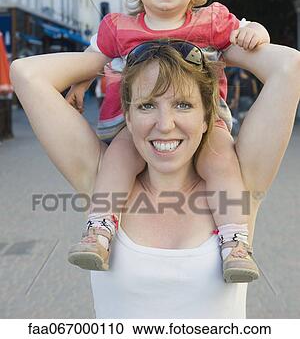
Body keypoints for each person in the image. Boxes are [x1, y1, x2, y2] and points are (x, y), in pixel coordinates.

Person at [10, 41, 300, 318]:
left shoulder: (238, 183)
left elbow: (289, 66)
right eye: (147, 105)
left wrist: (220, 42)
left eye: (183, 105)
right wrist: (116, 47)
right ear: (128, 115)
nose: (164, 125)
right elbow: (26, 73)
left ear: (206, 117)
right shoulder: (103, 180)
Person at [65, 0, 270, 282]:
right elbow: (93, 58)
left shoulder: (211, 22)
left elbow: (245, 31)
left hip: (204, 121)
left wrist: (257, 33)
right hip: (135, 122)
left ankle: (235, 241)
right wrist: (80, 85)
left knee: (221, 164)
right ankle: (99, 229)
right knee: (117, 160)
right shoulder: (118, 28)